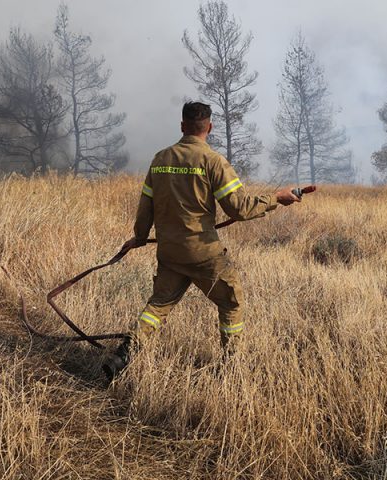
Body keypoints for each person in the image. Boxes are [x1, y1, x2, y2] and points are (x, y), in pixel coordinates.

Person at [102, 102, 301, 380]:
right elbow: (240, 209)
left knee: (158, 305)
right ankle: (231, 368)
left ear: (182, 126)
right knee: (231, 302)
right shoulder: (213, 162)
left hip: (170, 252)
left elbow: (145, 206)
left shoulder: (160, 159)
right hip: (203, 254)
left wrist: (139, 237)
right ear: (210, 127)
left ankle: (124, 354)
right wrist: (276, 198)